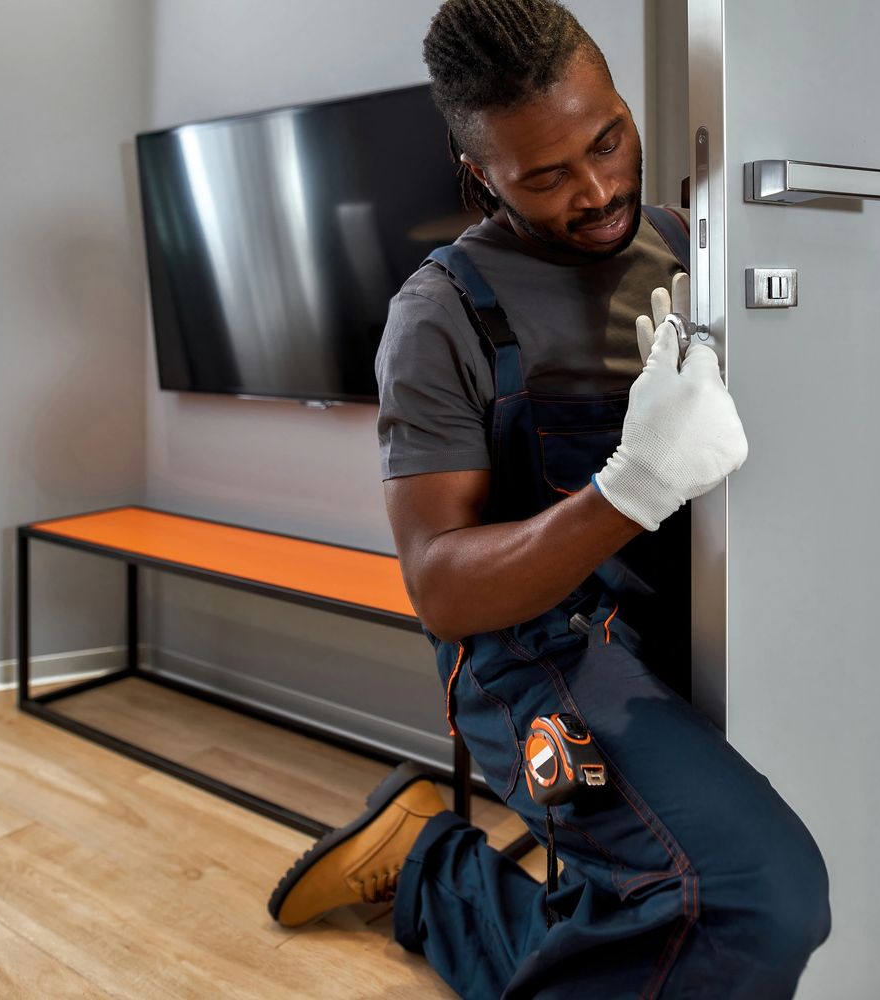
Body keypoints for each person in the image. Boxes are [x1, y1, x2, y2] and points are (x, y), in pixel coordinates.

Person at [268, 2, 832, 997]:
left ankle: (434, 875)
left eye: (608, 138)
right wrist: (633, 487)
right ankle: (439, 874)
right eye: (545, 175)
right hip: (532, 656)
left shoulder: (679, 241)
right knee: (748, 893)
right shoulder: (441, 314)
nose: (599, 188)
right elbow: (441, 586)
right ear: (481, 172)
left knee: (648, 910)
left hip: (670, 628)